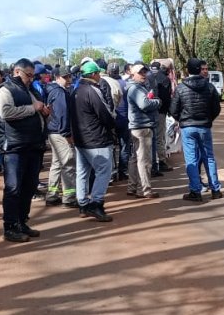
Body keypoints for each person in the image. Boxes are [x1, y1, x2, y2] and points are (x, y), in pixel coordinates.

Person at [0, 58, 49, 242]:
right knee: (13, 188)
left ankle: (22, 221)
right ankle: (10, 226)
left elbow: (35, 109)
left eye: (33, 75)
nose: (31, 79)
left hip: (32, 145)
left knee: (29, 186)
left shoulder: (29, 89)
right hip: (14, 147)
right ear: (17, 72)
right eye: (28, 75)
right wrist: (32, 108)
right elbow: (6, 113)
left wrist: (42, 111)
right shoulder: (5, 90)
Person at [170, 58, 222, 202]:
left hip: (188, 127)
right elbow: (216, 108)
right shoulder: (210, 87)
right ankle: (215, 189)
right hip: (204, 126)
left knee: (191, 159)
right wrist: (208, 119)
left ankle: (195, 190)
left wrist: (181, 120)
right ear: (200, 69)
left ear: (187, 70)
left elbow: (173, 109)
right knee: (209, 158)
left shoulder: (181, 88)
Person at [70, 60, 116, 221]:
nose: (100, 76)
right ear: (94, 74)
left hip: (81, 138)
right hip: (96, 138)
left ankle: (83, 204)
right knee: (104, 170)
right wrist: (112, 124)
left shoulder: (76, 89)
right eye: (98, 73)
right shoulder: (91, 90)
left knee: (82, 172)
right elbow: (105, 114)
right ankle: (96, 203)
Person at [126, 63, 161, 199]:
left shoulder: (136, 87)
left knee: (135, 159)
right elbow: (144, 104)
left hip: (137, 126)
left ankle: (133, 187)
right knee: (144, 160)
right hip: (142, 127)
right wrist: (158, 102)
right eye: (140, 73)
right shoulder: (135, 88)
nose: (144, 75)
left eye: (144, 72)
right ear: (132, 74)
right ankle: (144, 190)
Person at [45, 67, 78, 207]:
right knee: (68, 164)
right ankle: (69, 197)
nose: (69, 79)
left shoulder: (54, 90)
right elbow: (62, 115)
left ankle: (52, 195)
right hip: (60, 133)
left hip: (54, 132)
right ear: (57, 77)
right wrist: (67, 134)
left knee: (57, 164)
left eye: (69, 77)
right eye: (65, 77)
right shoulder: (59, 93)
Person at [147, 60, 174, 172]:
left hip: (147, 111)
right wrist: (170, 111)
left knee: (151, 137)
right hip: (160, 111)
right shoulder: (165, 79)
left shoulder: (148, 77)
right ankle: (161, 161)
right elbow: (167, 98)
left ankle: (152, 162)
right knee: (159, 137)